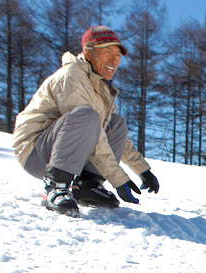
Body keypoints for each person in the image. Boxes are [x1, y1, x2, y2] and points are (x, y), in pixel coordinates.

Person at [12, 25, 160, 217]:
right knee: (87, 116)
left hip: (64, 150)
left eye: (117, 54)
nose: (114, 59)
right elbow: (89, 128)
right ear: (88, 53)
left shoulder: (102, 89)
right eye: (107, 52)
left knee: (116, 123)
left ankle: (86, 184)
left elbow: (115, 138)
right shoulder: (72, 75)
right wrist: (118, 178)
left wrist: (142, 170)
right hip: (35, 151)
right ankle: (56, 186)